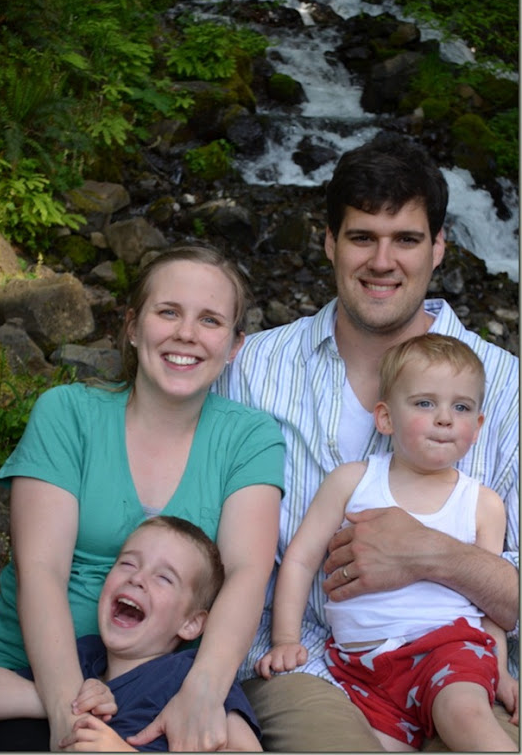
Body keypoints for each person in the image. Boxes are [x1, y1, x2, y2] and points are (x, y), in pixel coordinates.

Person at [214, 132, 519, 752]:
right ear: (329, 242)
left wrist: (432, 554)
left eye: (405, 239)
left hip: (456, 667)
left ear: (438, 247)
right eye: (362, 237)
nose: (383, 261)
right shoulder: (253, 370)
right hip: (300, 664)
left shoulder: (507, 388)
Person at [0, 244, 285, 752]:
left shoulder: (250, 438)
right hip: (31, 678)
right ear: (132, 326)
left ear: (236, 345)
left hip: (164, 688)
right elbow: (41, 568)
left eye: (210, 320)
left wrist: (201, 693)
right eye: (168, 312)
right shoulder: (68, 414)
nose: (186, 333)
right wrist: (68, 712)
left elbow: (246, 573)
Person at [255, 334, 518, 752]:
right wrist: (285, 639)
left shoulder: (482, 504)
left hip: (450, 651)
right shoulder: (353, 482)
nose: (445, 418)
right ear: (385, 418)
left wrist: (498, 670)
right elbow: (301, 560)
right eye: (425, 403)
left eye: (461, 407)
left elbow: (487, 605)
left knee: (466, 718)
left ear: (478, 427)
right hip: (361, 667)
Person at [0, 515, 263, 752]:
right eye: (128, 564)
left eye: (164, 578)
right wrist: (69, 702)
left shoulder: (187, 677)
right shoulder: (83, 659)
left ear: (191, 623)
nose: (137, 578)